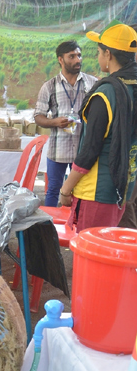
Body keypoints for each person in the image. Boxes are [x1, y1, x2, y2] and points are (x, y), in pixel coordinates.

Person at [59, 22, 137, 232]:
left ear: (108, 54)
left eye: (99, 51)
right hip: (125, 187)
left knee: (92, 256)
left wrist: (66, 189)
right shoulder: (132, 86)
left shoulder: (105, 95)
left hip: (97, 191)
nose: (98, 56)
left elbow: (90, 150)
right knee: (116, 254)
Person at [34, 41, 97, 207]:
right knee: (53, 189)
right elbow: (38, 116)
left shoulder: (92, 83)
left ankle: (76, 227)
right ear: (60, 59)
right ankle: (49, 228)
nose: (78, 60)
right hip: (58, 150)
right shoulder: (49, 86)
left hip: (84, 150)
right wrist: (55, 122)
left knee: (82, 190)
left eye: (79, 55)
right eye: (72, 56)